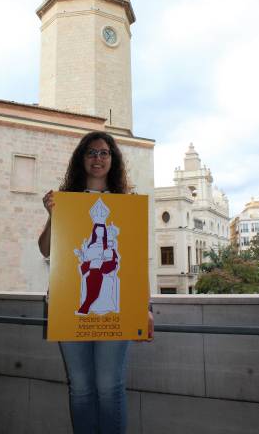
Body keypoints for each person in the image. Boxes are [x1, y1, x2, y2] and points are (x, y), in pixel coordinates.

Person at [38, 131, 153, 434]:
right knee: (81, 387)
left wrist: (146, 307)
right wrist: (53, 216)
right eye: (91, 153)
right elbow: (47, 249)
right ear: (81, 159)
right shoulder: (66, 202)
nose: (98, 159)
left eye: (104, 153)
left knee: (109, 386)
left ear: (113, 160)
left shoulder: (126, 205)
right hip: (69, 300)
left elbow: (136, 259)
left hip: (116, 305)